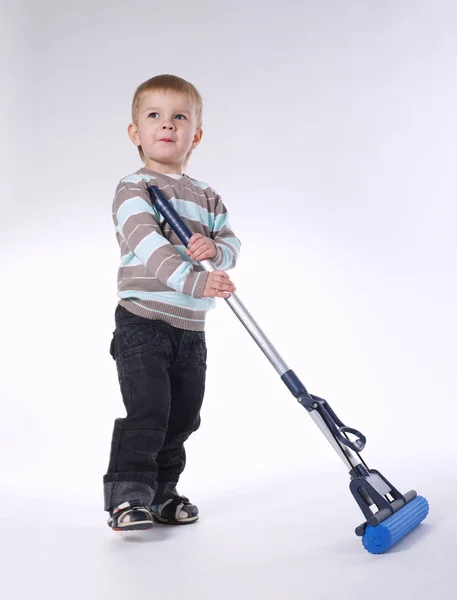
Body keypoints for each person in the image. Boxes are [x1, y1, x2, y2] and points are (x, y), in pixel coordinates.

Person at [103, 74, 240, 531]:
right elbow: (148, 245)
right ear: (135, 133)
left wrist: (215, 252)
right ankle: (128, 497)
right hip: (144, 321)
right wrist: (194, 281)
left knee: (183, 415)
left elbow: (230, 242)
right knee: (149, 411)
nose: (167, 125)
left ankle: (163, 493)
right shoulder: (134, 188)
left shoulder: (207, 195)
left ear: (195, 134)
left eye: (179, 117)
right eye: (154, 116)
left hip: (191, 330)